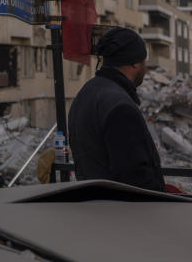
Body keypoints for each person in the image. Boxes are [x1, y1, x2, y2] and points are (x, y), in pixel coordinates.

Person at [68, 27, 165, 192]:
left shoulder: (87, 92)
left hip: (95, 204)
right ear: (135, 62)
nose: (146, 68)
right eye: (144, 61)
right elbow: (135, 175)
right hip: (122, 211)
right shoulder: (120, 106)